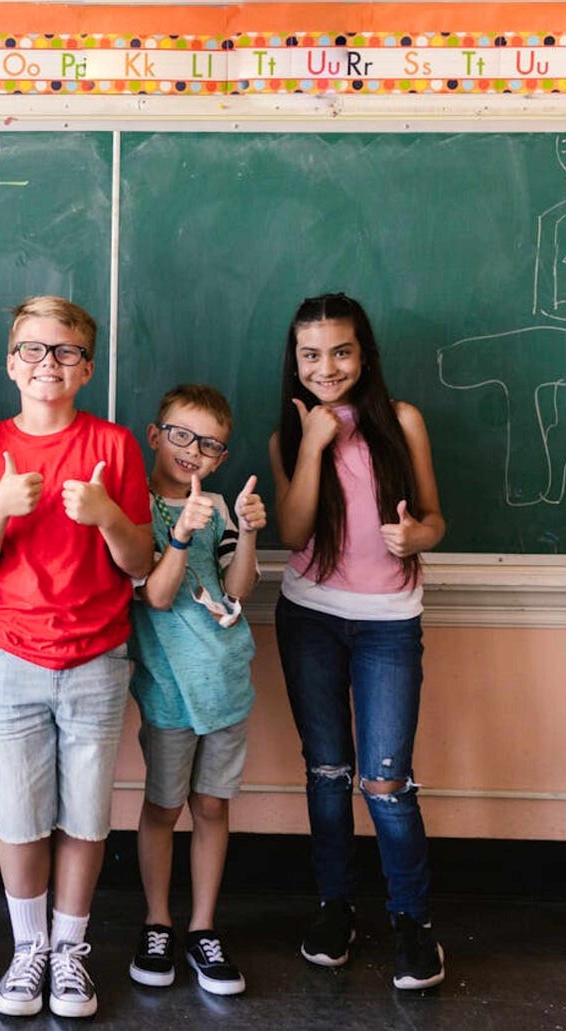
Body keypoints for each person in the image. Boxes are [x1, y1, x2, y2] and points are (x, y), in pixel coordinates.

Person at [0, 296, 152, 1019]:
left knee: (86, 815)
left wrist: (106, 517)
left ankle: (70, 950)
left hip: (98, 657)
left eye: (65, 351)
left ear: (87, 368)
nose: (48, 364)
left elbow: (139, 561)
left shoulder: (116, 447)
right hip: (10, 657)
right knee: (19, 816)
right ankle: (28, 946)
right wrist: (1, 505)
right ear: (10, 362)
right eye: (33, 350)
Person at [268, 292, 447, 991]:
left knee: (385, 779)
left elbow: (434, 517)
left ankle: (412, 919)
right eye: (311, 354)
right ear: (296, 360)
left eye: (340, 351)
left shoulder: (403, 422)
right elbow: (292, 531)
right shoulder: (291, 434)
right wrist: (312, 444)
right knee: (328, 772)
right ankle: (335, 906)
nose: (326, 366)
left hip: (388, 626)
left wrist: (415, 536)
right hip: (310, 616)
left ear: (363, 353)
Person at [126, 384, 265, 997]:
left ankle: (203, 927)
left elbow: (237, 591)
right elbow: (155, 594)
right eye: (181, 435)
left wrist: (252, 532)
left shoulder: (219, 510)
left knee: (211, 806)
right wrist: (180, 534)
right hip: (168, 689)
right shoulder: (136, 510)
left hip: (226, 682)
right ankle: (158, 922)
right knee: (162, 807)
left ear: (220, 456)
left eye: (209, 445)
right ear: (155, 435)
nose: (193, 451)